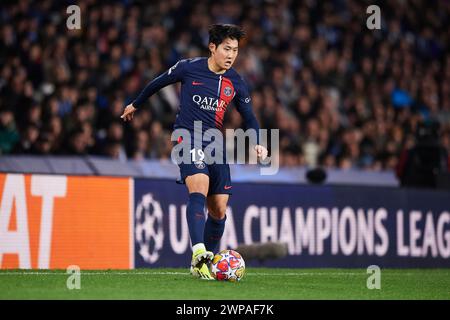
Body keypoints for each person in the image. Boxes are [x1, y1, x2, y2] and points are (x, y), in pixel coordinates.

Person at [121, 24, 267, 280]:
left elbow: (249, 117)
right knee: (198, 186)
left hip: (214, 143)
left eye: (235, 50)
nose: (231, 55)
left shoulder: (236, 81)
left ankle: (204, 266)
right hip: (186, 136)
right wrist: (136, 104)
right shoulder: (188, 68)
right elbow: (157, 83)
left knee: (219, 209)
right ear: (213, 47)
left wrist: (257, 140)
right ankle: (198, 251)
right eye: (227, 49)